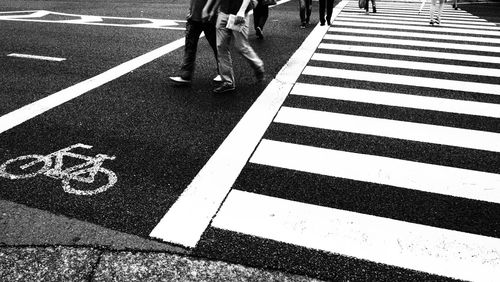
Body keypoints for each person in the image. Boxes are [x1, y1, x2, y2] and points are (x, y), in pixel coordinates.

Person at [203, 0, 265, 94]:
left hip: (238, 14)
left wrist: (241, 10)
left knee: (241, 46)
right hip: (223, 13)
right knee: (221, 46)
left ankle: (258, 65)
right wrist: (213, 10)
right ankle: (228, 82)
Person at [169, 0, 221, 85]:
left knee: (217, 46)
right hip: (194, 18)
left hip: (208, 17)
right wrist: (190, 10)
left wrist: (212, 11)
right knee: (190, 46)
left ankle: (223, 73)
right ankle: (185, 75)